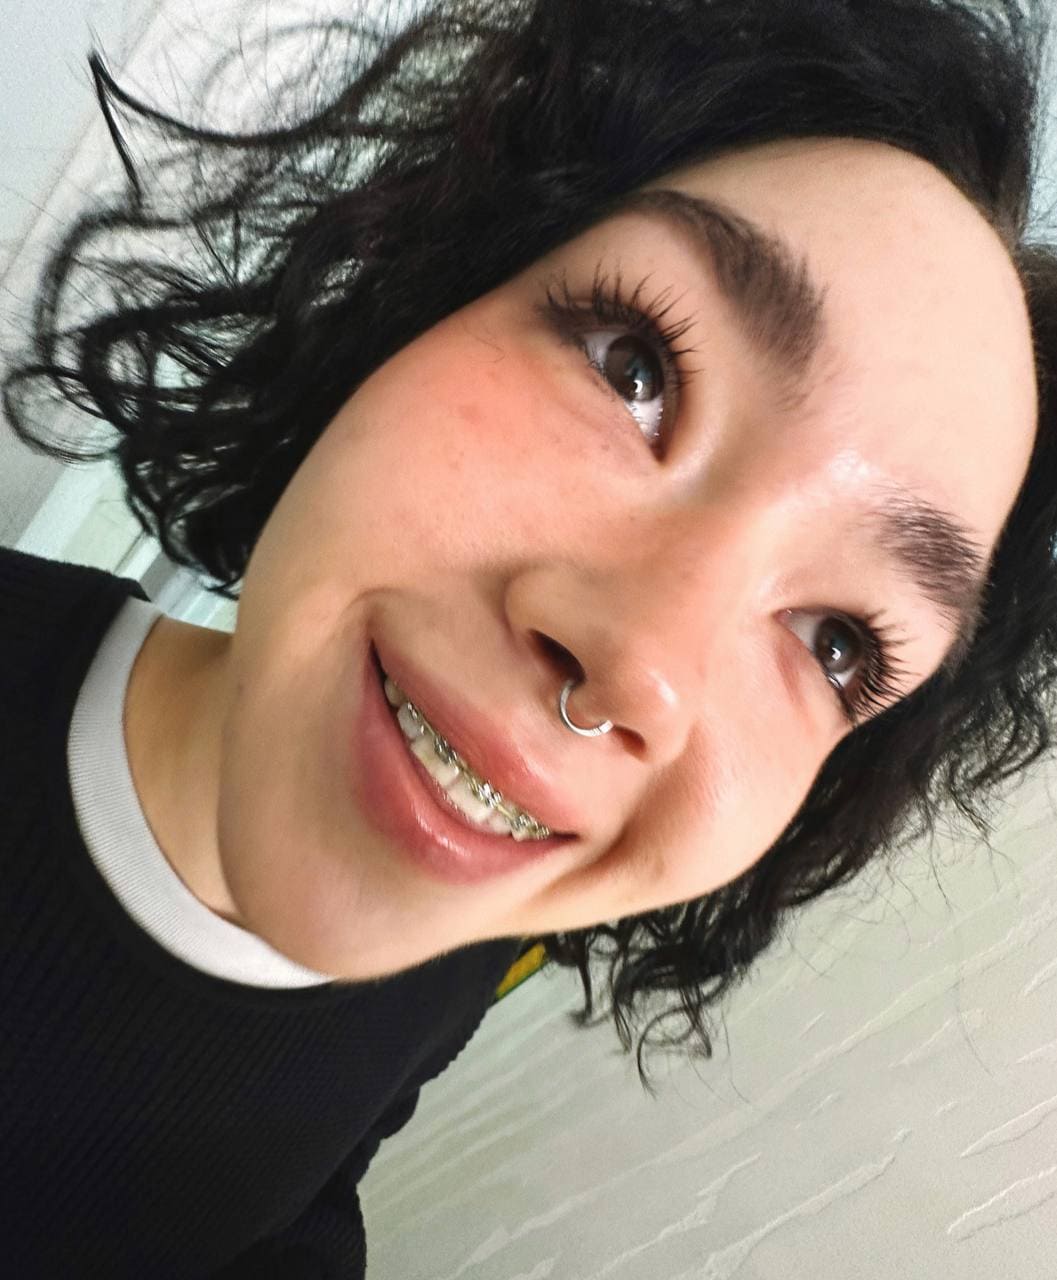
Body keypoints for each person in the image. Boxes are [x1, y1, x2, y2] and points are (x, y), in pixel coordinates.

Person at [2, 0, 1056, 1273]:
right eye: (634, 367)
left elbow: (307, 1176)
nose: (640, 662)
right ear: (426, 292)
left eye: (836, 641)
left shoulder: (457, 952)